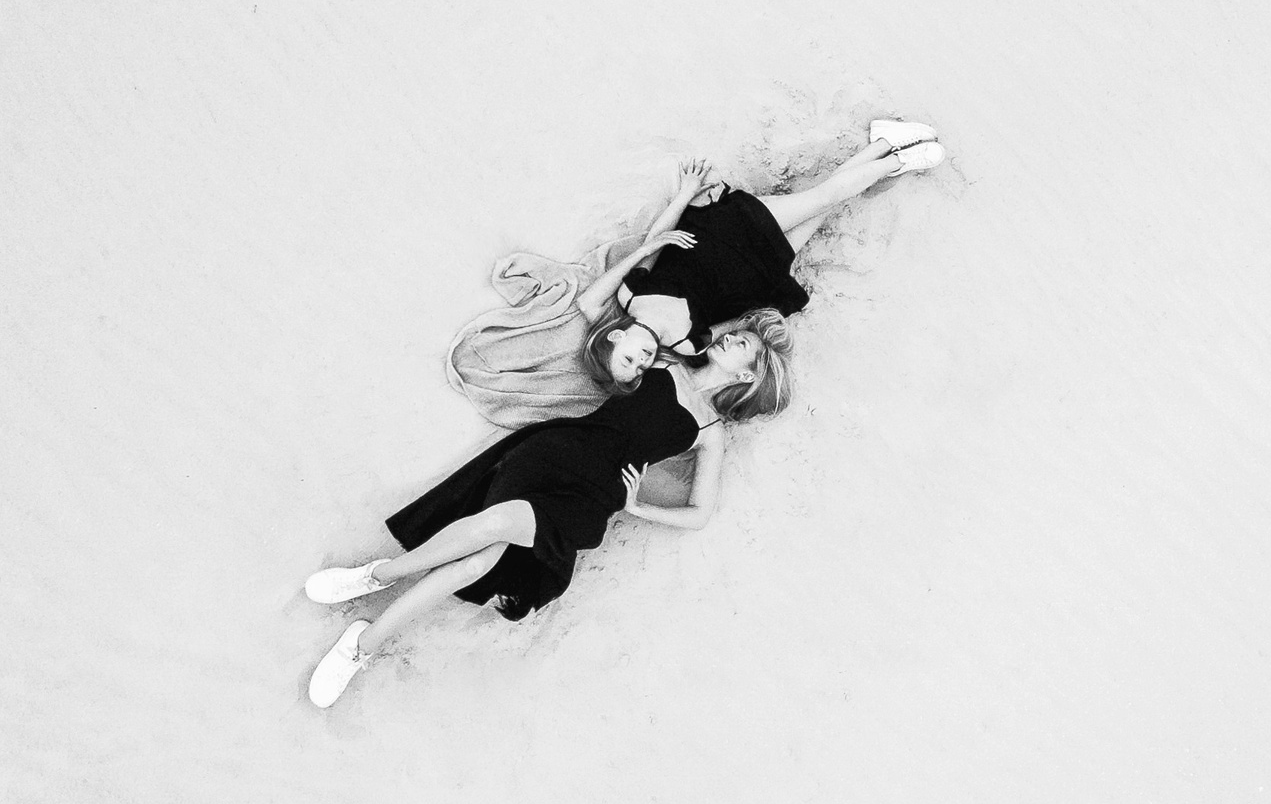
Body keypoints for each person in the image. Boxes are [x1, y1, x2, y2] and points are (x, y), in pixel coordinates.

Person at [301, 315, 794, 707]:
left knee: (485, 549)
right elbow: (622, 320)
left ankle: (377, 581)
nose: (729, 339)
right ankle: (363, 638)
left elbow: (699, 513)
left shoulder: (711, 433)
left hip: (593, 500)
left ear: (748, 374)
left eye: (741, 345)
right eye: (734, 334)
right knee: (479, 560)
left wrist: (638, 506)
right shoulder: (666, 361)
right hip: (557, 453)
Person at [445, 120, 944, 426]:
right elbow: (708, 378)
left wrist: (680, 204)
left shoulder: (626, 296)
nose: (639, 361)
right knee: (820, 212)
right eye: (638, 370)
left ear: (613, 340)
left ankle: (897, 160)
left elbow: (629, 260)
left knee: (823, 198)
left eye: (627, 359)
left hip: (727, 235)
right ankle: (882, 147)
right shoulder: (683, 351)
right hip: (756, 275)